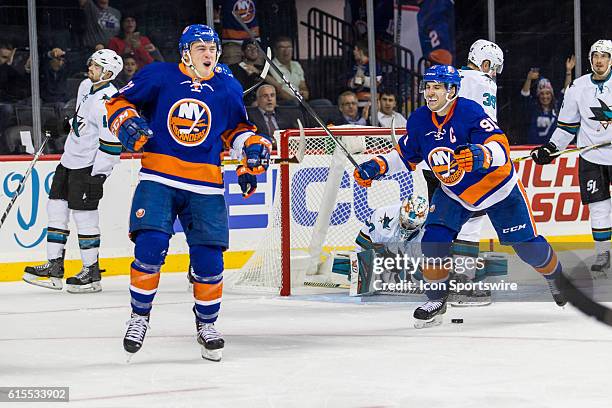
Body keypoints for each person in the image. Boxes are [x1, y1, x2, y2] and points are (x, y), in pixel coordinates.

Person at [354, 65, 566, 328]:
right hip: (454, 192)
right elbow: (404, 155)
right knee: (434, 238)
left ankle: (556, 276)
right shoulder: (420, 119)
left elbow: (500, 146)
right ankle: (436, 299)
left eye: (437, 87)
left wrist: (481, 155)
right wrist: (376, 166)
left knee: (527, 248)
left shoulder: (468, 111)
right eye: (427, 87)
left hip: (497, 188)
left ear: (452, 90)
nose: (430, 93)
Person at [105, 24, 271, 361]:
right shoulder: (159, 76)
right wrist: (125, 121)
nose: (209, 54)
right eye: (201, 49)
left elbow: (235, 131)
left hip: (205, 183)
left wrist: (250, 148)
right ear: (185, 52)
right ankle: (139, 318)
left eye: (212, 49)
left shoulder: (226, 87)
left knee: (210, 260)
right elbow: (118, 101)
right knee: (150, 247)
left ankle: (207, 324)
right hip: (159, 177)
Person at [23, 49, 124, 293]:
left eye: (96, 66)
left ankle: (91, 272)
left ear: (108, 73)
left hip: (88, 167)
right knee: (56, 208)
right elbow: (80, 119)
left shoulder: (110, 102)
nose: (90, 67)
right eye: (91, 63)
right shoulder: (85, 86)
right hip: (69, 160)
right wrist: (63, 125)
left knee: (84, 217)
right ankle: (54, 266)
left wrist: (99, 174)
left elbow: (112, 144)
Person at [531, 40, 612, 278]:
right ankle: (603, 255)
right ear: (590, 59)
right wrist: (552, 148)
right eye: (595, 55)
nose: (599, 60)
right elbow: (567, 127)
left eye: (604, 56)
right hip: (591, 156)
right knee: (599, 208)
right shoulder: (578, 87)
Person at [268, 36, 309, 103]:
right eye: (282, 47)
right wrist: (295, 100)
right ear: (275, 50)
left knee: (324, 103)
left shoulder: (296, 64)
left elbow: (302, 85)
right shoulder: (271, 66)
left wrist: (305, 92)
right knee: (295, 103)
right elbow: (279, 91)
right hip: (285, 102)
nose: (286, 50)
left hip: (301, 101)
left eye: (289, 47)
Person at [229, 39, 266, 106]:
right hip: (240, 104)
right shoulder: (233, 69)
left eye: (256, 48)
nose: (253, 51)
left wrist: (258, 72)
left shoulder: (261, 69)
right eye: (249, 48)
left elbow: (275, 85)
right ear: (243, 52)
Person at [347, 40, 382, 107]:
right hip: (355, 103)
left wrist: (363, 80)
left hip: (371, 104)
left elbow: (377, 82)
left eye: (355, 49)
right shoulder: (354, 66)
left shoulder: (374, 65)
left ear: (361, 51)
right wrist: (354, 81)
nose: (354, 52)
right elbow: (349, 82)